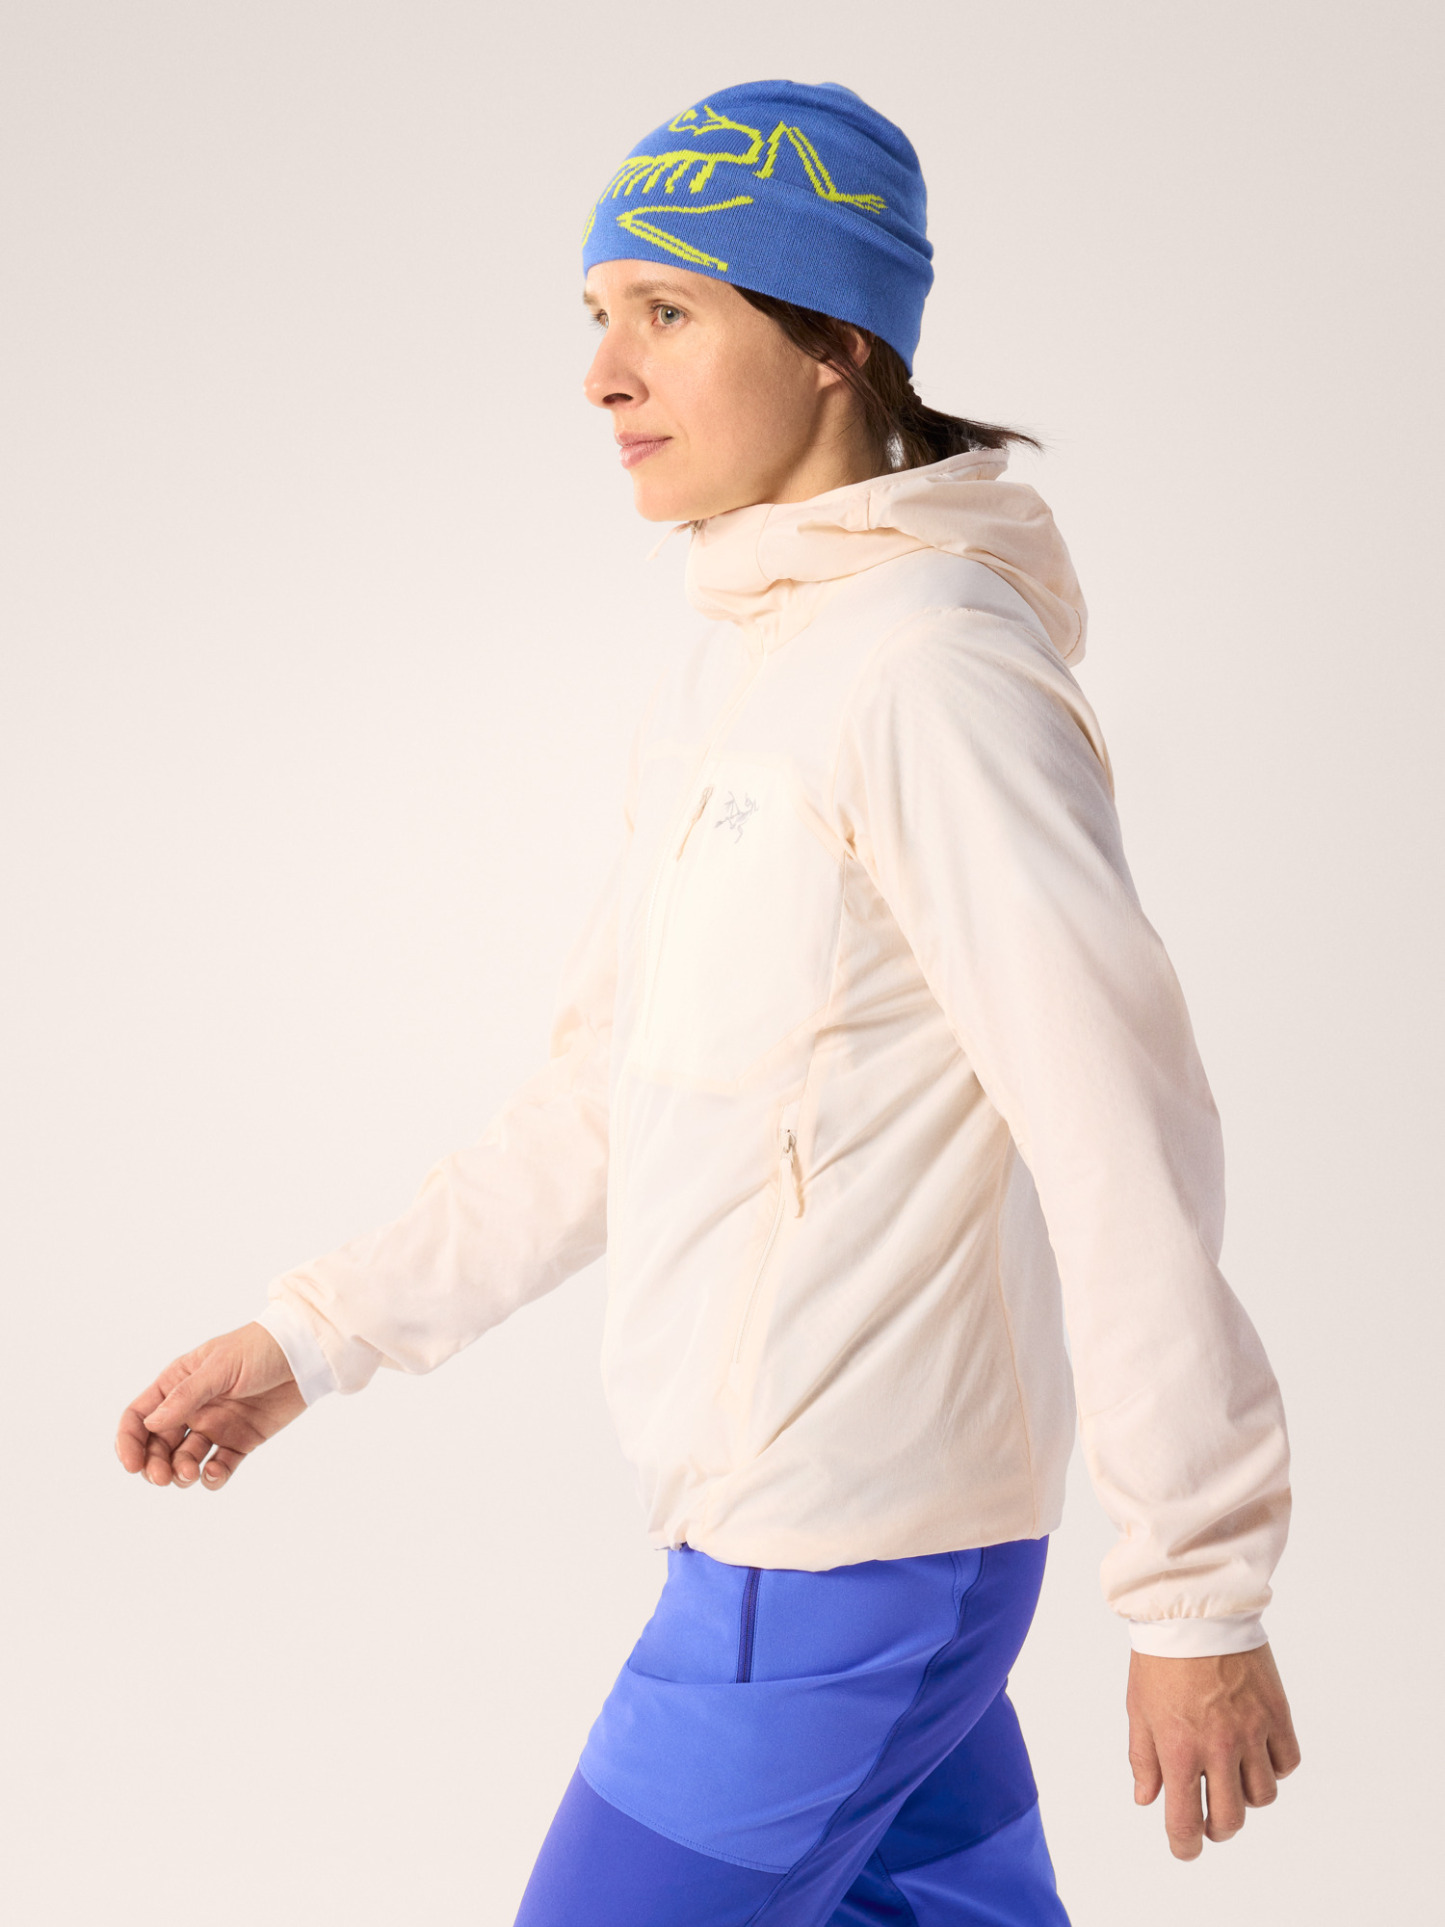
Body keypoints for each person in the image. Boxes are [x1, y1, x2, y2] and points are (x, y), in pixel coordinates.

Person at [115, 79, 1301, 1924]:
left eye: (666, 311)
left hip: (843, 1569)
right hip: (777, 1539)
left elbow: (1118, 1132)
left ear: (837, 343)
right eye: (598, 315)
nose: (603, 375)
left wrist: (1195, 1591)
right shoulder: (750, 665)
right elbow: (611, 1093)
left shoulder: (930, 675)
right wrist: (312, 1337)